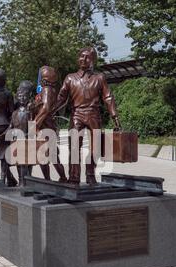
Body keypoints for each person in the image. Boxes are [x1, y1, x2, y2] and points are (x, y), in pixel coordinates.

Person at [55, 47, 121, 185]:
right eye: (81, 56)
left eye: (87, 57)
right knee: (74, 147)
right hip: (76, 115)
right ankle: (74, 176)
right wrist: (48, 111)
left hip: (93, 115)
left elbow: (108, 97)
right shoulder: (70, 78)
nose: (83, 59)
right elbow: (61, 98)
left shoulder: (99, 77)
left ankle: (90, 174)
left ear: (93, 60)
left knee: (96, 147)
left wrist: (114, 116)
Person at [34, 66, 67, 183]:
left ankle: (61, 178)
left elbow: (46, 107)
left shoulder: (46, 89)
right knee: (45, 155)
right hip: (46, 127)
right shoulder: (49, 90)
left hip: (45, 127)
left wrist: (35, 123)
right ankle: (49, 179)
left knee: (51, 155)